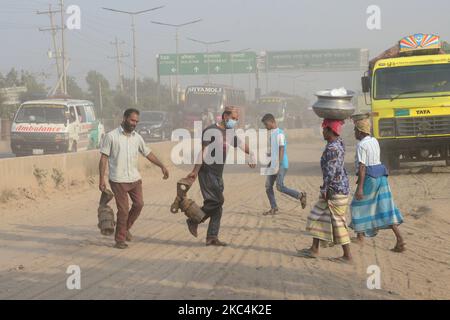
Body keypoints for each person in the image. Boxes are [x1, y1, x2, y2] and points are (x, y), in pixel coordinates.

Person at [99, 108, 169, 249]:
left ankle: (124, 229)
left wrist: (162, 165)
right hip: (118, 180)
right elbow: (103, 158)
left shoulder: (137, 137)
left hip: (134, 178)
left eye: (136, 121)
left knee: (139, 205)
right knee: (123, 210)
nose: (134, 123)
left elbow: (147, 153)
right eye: (132, 120)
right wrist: (101, 179)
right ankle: (120, 240)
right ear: (124, 118)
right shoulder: (111, 136)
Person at [186, 108, 256, 246]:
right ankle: (194, 220)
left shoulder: (230, 133)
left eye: (237, 119)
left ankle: (212, 236)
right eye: (233, 118)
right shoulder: (210, 131)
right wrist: (195, 171)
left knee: (217, 206)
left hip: (218, 173)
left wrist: (251, 154)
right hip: (207, 171)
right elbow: (203, 152)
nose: (235, 121)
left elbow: (242, 145)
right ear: (225, 116)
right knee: (217, 201)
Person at [298, 119, 352, 262]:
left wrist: (325, 189)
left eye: (324, 129)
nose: (322, 132)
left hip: (334, 190)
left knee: (338, 223)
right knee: (318, 216)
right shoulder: (339, 143)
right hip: (339, 187)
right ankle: (314, 248)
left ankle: (348, 255)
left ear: (329, 131)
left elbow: (330, 172)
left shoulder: (332, 149)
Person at [350, 117, 405, 252]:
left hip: (370, 178)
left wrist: (360, 188)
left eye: (355, 130)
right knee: (385, 207)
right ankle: (400, 239)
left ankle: (360, 236)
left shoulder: (361, 145)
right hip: (382, 176)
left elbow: (363, 167)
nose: (354, 133)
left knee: (357, 205)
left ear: (360, 131)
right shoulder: (374, 141)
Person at [261, 113, 307, 215]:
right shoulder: (272, 134)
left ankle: (300, 195)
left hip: (280, 164)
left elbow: (281, 149)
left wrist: (279, 164)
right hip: (273, 164)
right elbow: (275, 150)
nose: (265, 126)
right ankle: (274, 207)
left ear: (272, 122)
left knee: (280, 186)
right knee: (268, 186)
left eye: (266, 124)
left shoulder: (279, 134)